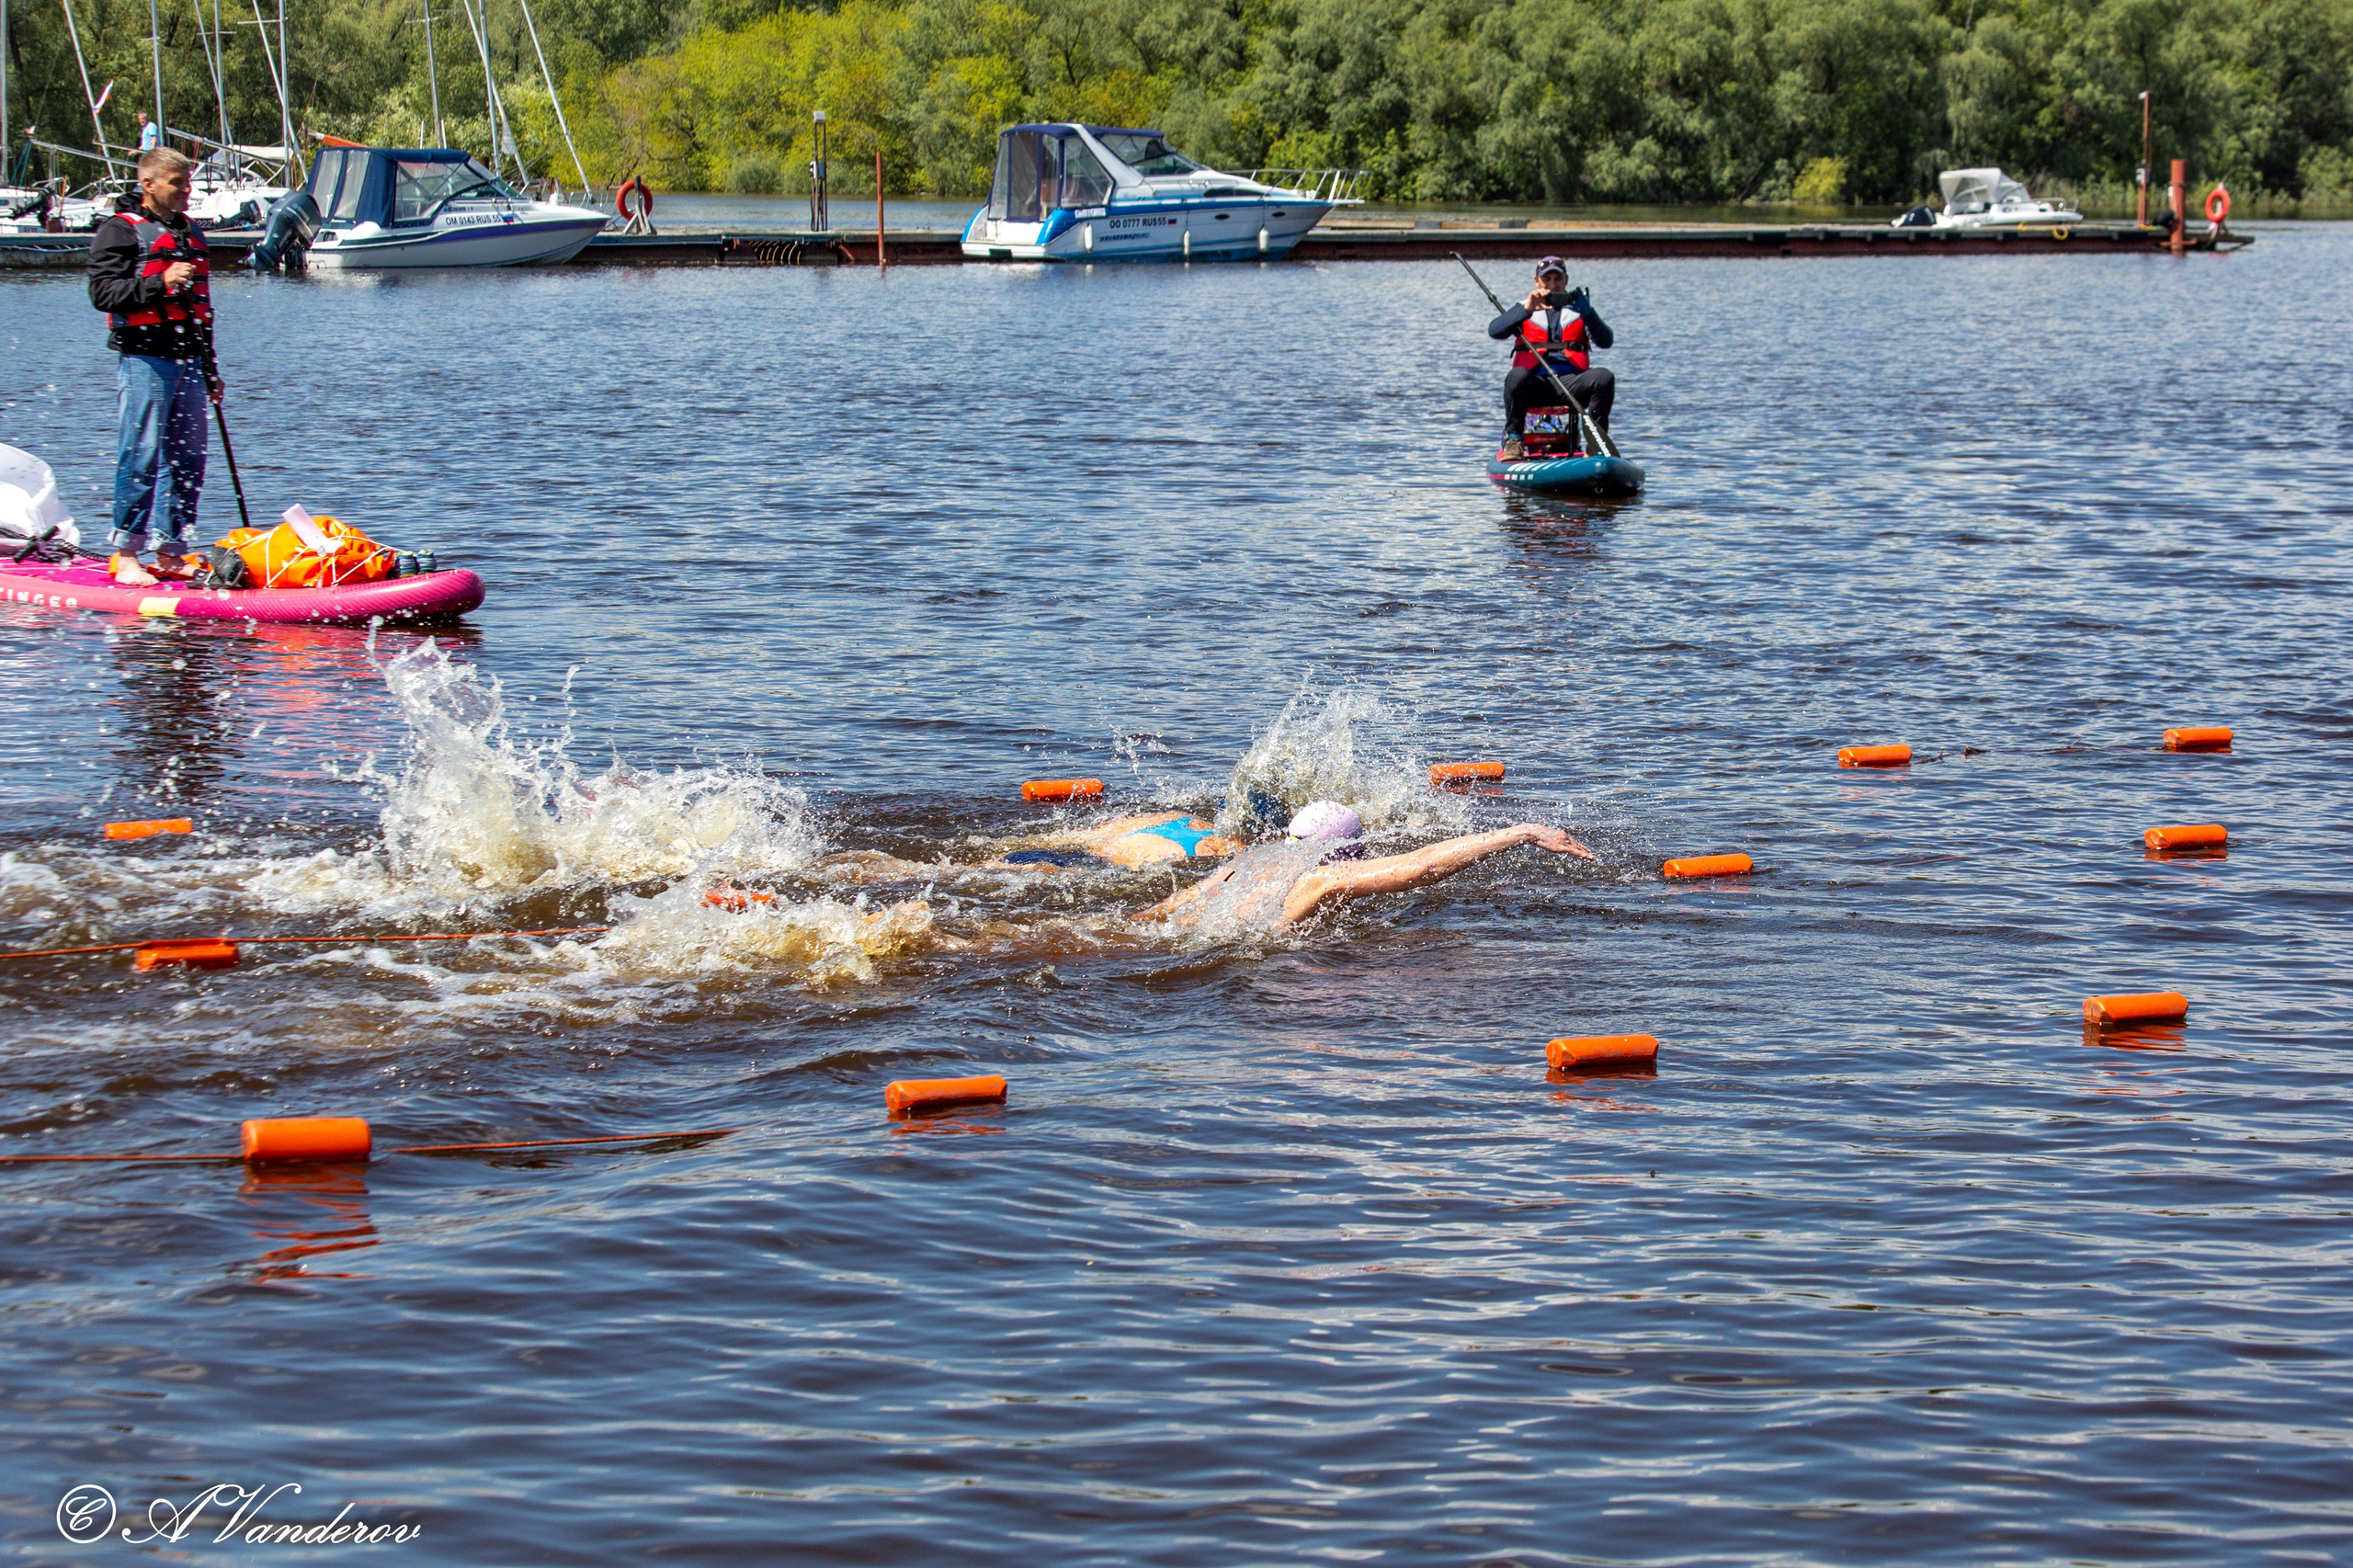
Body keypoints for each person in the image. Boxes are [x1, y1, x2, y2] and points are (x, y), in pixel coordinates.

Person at [1136, 802, 1596, 933]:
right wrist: (1522, 833)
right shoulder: (1322, 877)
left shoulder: (1248, 860)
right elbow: (1422, 868)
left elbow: (1175, 905)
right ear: (1350, 855)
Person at [86, 147, 216, 582]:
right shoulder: (119, 232)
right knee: (141, 453)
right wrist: (159, 282)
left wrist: (211, 369)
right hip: (144, 359)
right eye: (177, 182)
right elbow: (103, 294)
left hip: (190, 361)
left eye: (188, 181)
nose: (187, 190)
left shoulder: (190, 233)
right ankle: (126, 555)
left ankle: (171, 551)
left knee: (189, 458)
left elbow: (202, 312)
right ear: (148, 184)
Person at [1489, 256, 1614, 462]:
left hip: (1571, 384)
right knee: (1516, 375)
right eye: (1547, 280)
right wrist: (1527, 310)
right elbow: (1495, 331)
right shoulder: (1524, 307)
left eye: (1558, 279)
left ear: (1566, 280)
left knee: (1603, 377)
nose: (1553, 285)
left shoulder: (1580, 309)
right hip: (1536, 385)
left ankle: (1596, 445)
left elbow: (1606, 341)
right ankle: (1514, 442)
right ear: (1537, 282)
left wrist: (1589, 313)